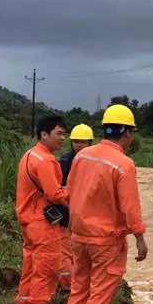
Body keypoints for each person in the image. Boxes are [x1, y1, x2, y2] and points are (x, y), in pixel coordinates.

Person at [61, 104, 148, 304]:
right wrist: (140, 237)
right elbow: (130, 207)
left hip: (79, 236)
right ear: (127, 133)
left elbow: (70, 192)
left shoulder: (83, 156)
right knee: (99, 292)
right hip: (106, 241)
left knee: (79, 289)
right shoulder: (124, 164)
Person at [15, 115, 69, 304]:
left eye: (64, 134)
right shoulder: (46, 160)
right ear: (44, 134)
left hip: (29, 222)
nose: (63, 138)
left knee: (30, 270)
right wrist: (74, 191)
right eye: (59, 133)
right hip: (43, 225)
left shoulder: (29, 155)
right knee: (44, 274)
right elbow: (55, 194)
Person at [56, 124, 94, 290]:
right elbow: (58, 189)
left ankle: (81, 281)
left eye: (83, 142)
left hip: (87, 214)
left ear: (89, 143)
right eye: (76, 142)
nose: (79, 145)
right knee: (66, 248)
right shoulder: (65, 162)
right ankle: (69, 284)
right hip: (67, 212)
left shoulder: (95, 162)